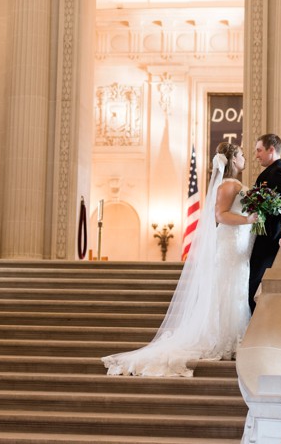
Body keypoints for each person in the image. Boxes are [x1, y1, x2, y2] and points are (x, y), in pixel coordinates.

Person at [102, 141, 258, 377]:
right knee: (228, 289)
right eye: (242, 155)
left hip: (238, 246)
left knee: (233, 288)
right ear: (234, 160)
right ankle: (225, 340)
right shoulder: (229, 185)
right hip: (230, 244)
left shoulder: (233, 184)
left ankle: (233, 338)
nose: (245, 158)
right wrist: (250, 220)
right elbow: (220, 215)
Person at [248, 133, 281, 313]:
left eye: (259, 150)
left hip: (270, 237)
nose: (256, 155)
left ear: (271, 149)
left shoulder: (280, 172)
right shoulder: (268, 172)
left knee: (255, 282)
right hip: (261, 234)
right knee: (251, 281)